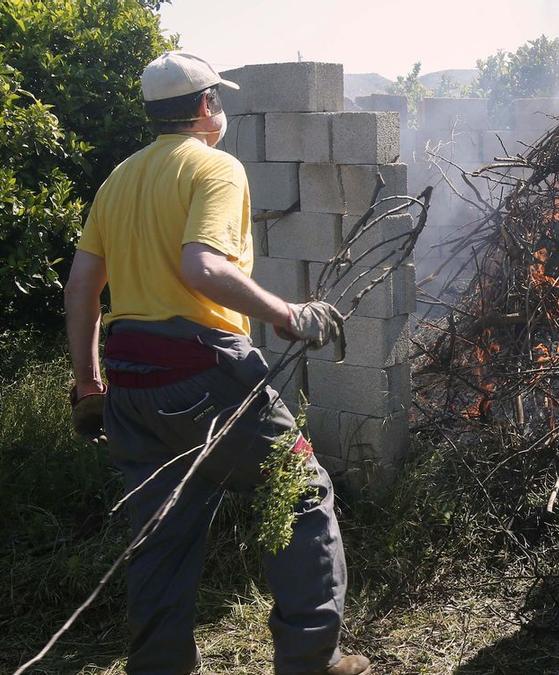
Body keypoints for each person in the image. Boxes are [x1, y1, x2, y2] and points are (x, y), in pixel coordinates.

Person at [63, 51, 371, 675]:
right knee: (303, 495)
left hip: (131, 387)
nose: (221, 111)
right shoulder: (216, 168)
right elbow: (201, 267)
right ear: (205, 107)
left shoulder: (117, 180)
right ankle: (313, 658)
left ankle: (159, 667)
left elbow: (81, 291)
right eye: (218, 101)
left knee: (161, 539)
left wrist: (90, 384)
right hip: (205, 375)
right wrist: (288, 314)